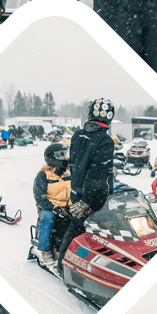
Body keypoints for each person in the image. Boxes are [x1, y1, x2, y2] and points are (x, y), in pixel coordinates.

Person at [65, 98, 118, 250]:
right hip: (94, 198)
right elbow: (96, 173)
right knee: (97, 235)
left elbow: (74, 165)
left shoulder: (78, 135)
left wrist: (80, 195)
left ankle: (64, 261)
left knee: (76, 230)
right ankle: (75, 264)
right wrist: (87, 200)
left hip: (76, 191)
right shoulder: (105, 140)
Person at [32, 142, 72, 270]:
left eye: (65, 154)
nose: (65, 158)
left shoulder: (69, 172)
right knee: (48, 218)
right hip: (48, 208)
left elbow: (75, 191)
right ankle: (45, 250)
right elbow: (40, 198)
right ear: (52, 158)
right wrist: (55, 209)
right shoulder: (43, 176)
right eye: (61, 155)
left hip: (68, 206)